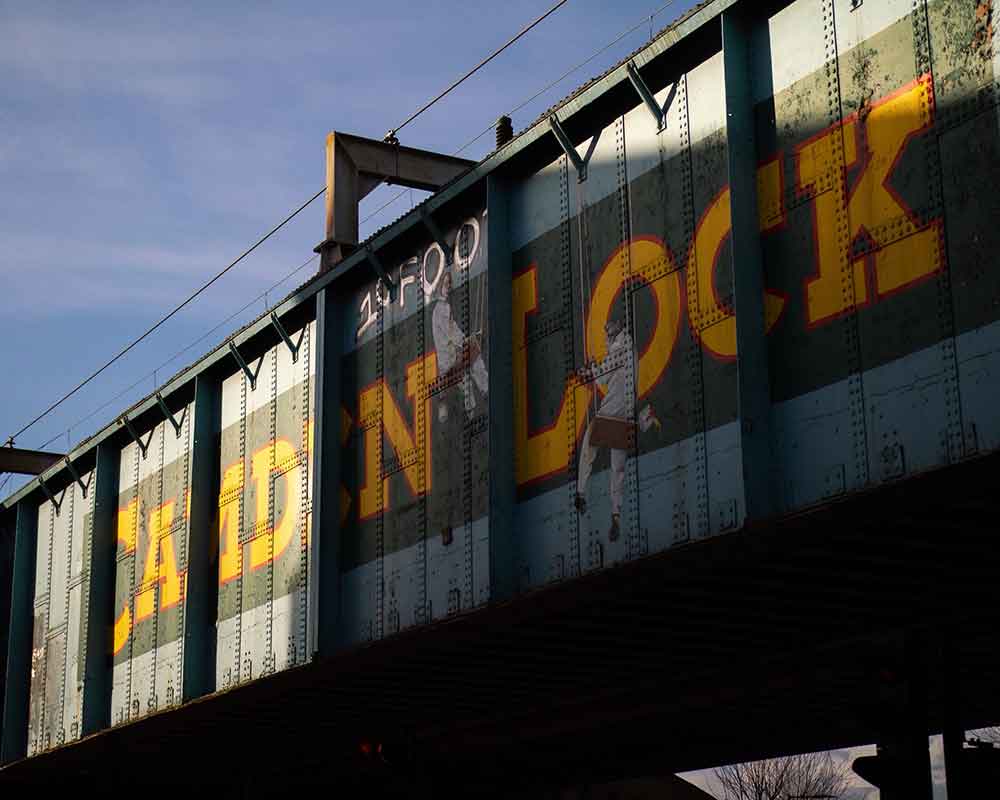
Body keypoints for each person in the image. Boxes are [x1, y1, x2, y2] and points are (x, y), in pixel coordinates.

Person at [574, 315, 660, 542]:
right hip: (623, 419)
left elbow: (602, 376)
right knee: (617, 471)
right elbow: (605, 375)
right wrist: (594, 369)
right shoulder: (629, 351)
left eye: (607, 334)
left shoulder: (621, 347)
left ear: (614, 333)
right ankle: (616, 515)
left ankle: (581, 492)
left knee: (588, 448)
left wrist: (590, 371)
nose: (605, 338)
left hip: (609, 415)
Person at [431, 270, 488, 422]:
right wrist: (469, 340)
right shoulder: (441, 309)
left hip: (448, 361)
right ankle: (486, 390)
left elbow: (453, 330)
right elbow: (451, 333)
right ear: (439, 287)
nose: (448, 286)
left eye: (449, 283)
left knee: (466, 383)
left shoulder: (442, 309)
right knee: (475, 359)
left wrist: (467, 338)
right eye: (445, 283)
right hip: (450, 359)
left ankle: (471, 412)